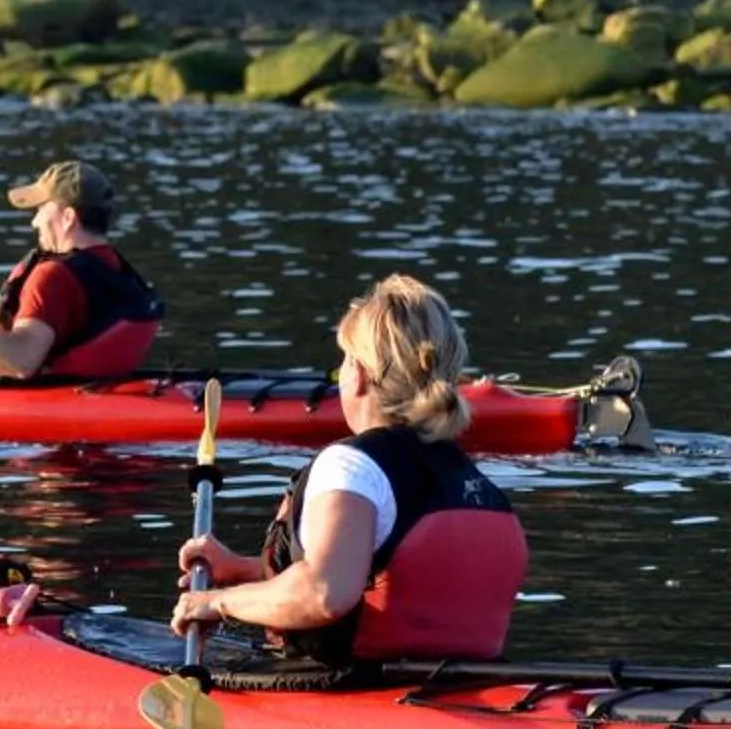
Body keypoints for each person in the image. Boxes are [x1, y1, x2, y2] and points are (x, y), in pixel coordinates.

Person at [170, 274, 526, 664]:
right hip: (464, 691)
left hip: (356, 688)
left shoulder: (352, 468)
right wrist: (241, 571)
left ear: (357, 375)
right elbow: (372, 575)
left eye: (342, 365)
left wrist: (216, 603)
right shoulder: (475, 481)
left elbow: (325, 592)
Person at [0, 159, 166, 380]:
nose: (35, 221)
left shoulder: (53, 276)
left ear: (68, 217)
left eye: (40, 209)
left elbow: (21, 362)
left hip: (34, 411)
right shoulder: (117, 270)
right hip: (87, 398)